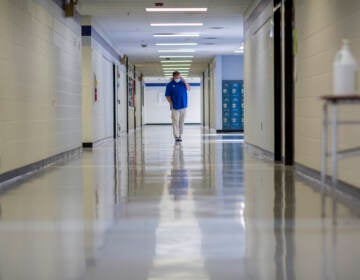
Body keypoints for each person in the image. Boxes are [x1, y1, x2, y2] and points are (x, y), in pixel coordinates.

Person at [165, 71, 191, 142]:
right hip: (175, 106)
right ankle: (176, 136)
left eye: (179, 76)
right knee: (175, 121)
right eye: (176, 77)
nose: (178, 78)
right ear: (173, 77)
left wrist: (185, 81)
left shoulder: (183, 83)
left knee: (181, 122)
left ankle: (180, 135)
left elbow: (189, 88)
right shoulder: (170, 85)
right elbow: (167, 96)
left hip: (183, 106)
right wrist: (171, 103)